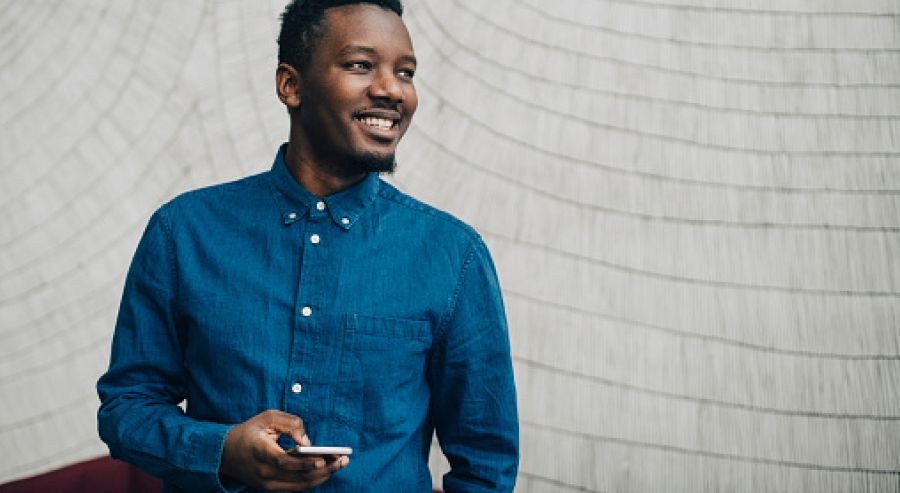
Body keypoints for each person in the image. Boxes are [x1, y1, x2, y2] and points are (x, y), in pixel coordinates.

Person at [96, 0, 519, 491]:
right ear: (290, 85)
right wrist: (224, 450)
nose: (390, 89)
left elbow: (486, 463)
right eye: (361, 65)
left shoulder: (452, 255)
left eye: (405, 72)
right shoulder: (184, 232)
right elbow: (127, 409)